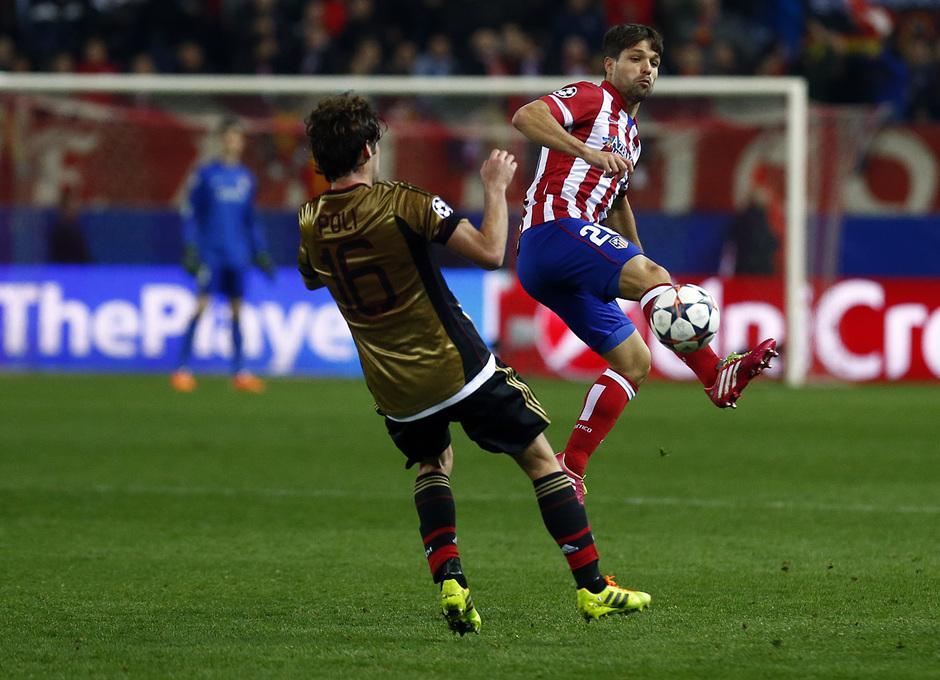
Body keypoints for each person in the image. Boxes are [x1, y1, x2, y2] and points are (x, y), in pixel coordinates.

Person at [299, 93, 650, 634]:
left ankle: (452, 580)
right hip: (456, 363)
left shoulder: (310, 220)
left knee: (433, 463)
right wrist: (494, 187)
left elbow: (311, 276)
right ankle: (593, 588)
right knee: (542, 461)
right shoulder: (402, 201)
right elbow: (489, 252)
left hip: (392, 384)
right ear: (368, 149)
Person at [511, 24, 778, 503]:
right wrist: (585, 150)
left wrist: (639, 256)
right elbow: (526, 115)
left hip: (556, 261)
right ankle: (715, 376)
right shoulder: (592, 97)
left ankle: (570, 468)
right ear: (610, 65)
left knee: (634, 362)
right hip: (553, 230)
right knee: (656, 280)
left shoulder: (630, 137)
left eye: (653, 62)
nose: (646, 69)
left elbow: (616, 201)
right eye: (635, 58)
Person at [171, 118, 275, 394]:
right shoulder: (206, 175)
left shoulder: (246, 178)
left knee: (237, 311)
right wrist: (190, 247)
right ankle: (182, 369)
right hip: (212, 254)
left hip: (238, 255)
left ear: (242, 143)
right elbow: (192, 213)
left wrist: (261, 252)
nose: (232, 142)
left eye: (236, 138)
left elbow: (250, 220)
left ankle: (240, 372)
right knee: (202, 305)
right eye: (228, 137)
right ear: (221, 141)